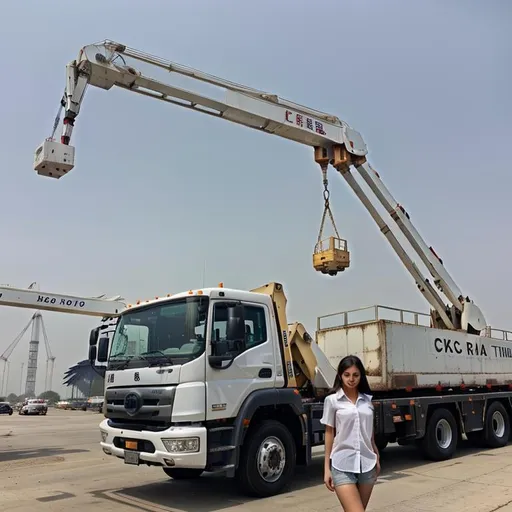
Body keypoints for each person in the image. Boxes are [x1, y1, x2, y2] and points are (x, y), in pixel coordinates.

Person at [320, 355, 380, 512]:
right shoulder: (332, 401)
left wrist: (376, 455)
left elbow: (369, 431)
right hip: (342, 464)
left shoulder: (367, 401)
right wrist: (327, 468)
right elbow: (329, 432)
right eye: (347, 375)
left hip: (367, 464)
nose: (351, 379)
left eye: (355, 375)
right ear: (340, 376)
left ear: (361, 376)